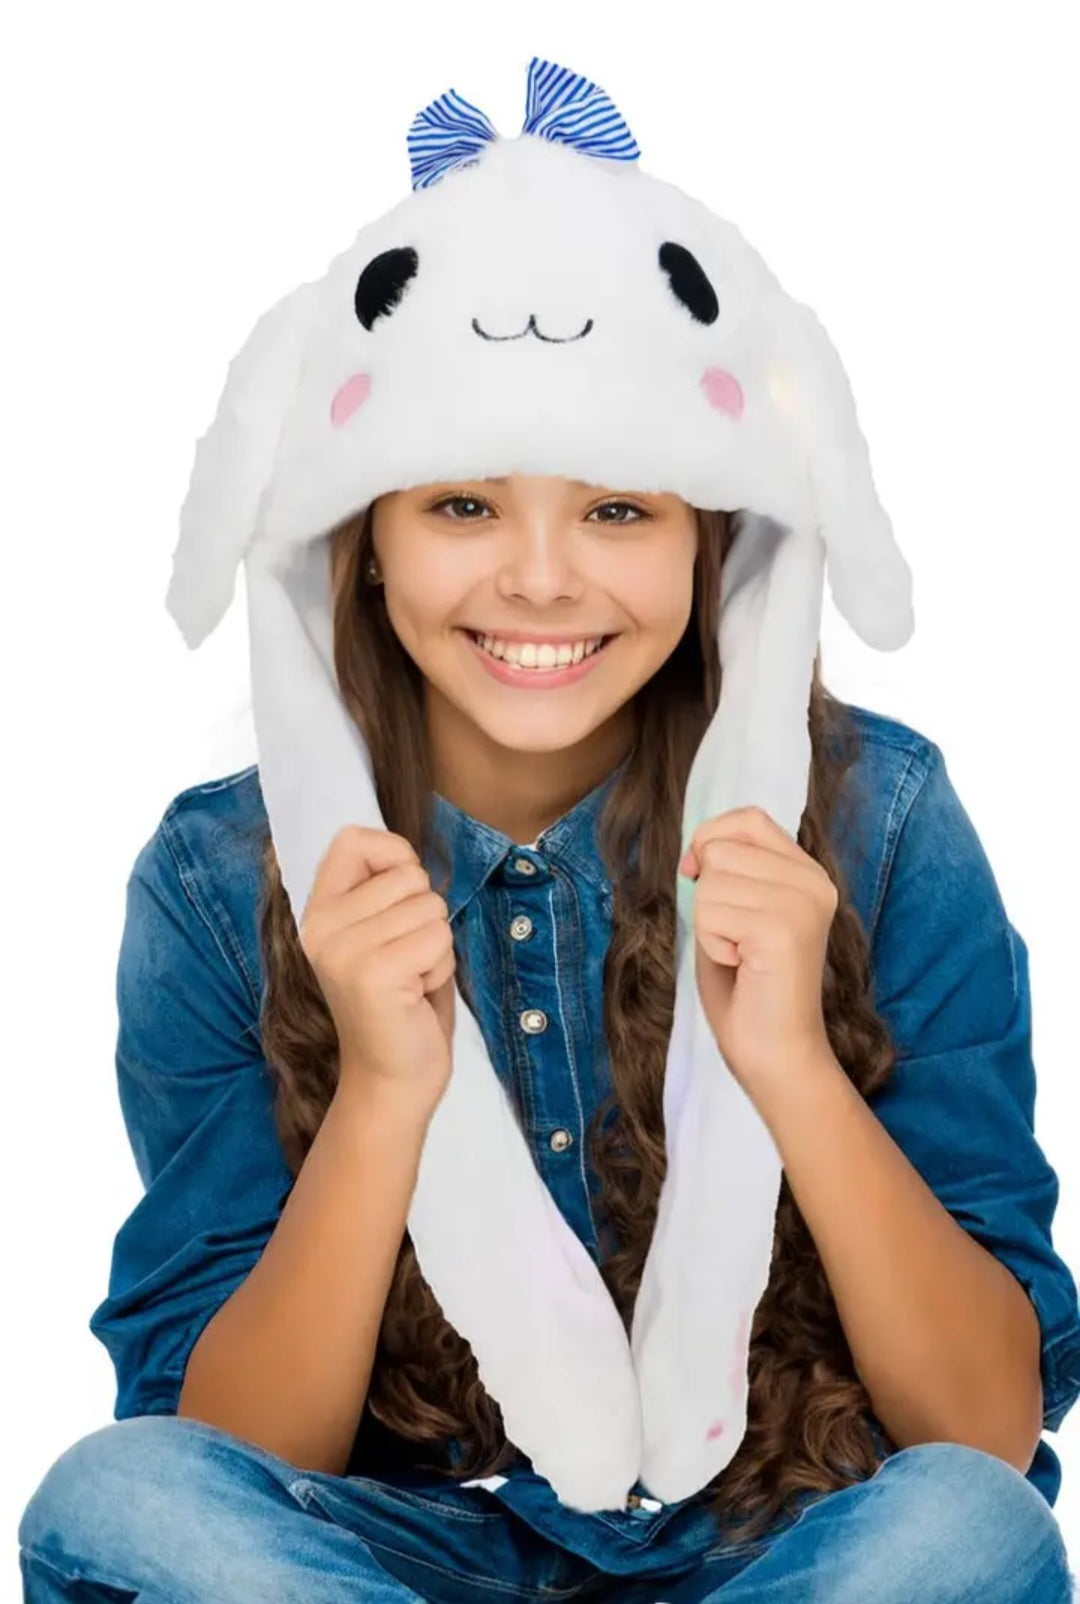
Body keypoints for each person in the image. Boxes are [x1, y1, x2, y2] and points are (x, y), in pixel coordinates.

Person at [19, 58, 1080, 1604]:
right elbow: (227, 1453)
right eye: (461, 506)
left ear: (713, 540)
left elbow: (981, 1433)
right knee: (118, 1501)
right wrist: (385, 1091)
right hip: (400, 1556)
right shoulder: (215, 880)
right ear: (363, 540)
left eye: (619, 508)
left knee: (963, 1534)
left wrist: (789, 1064)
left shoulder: (881, 823)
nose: (538, 578)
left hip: (781, 1548)